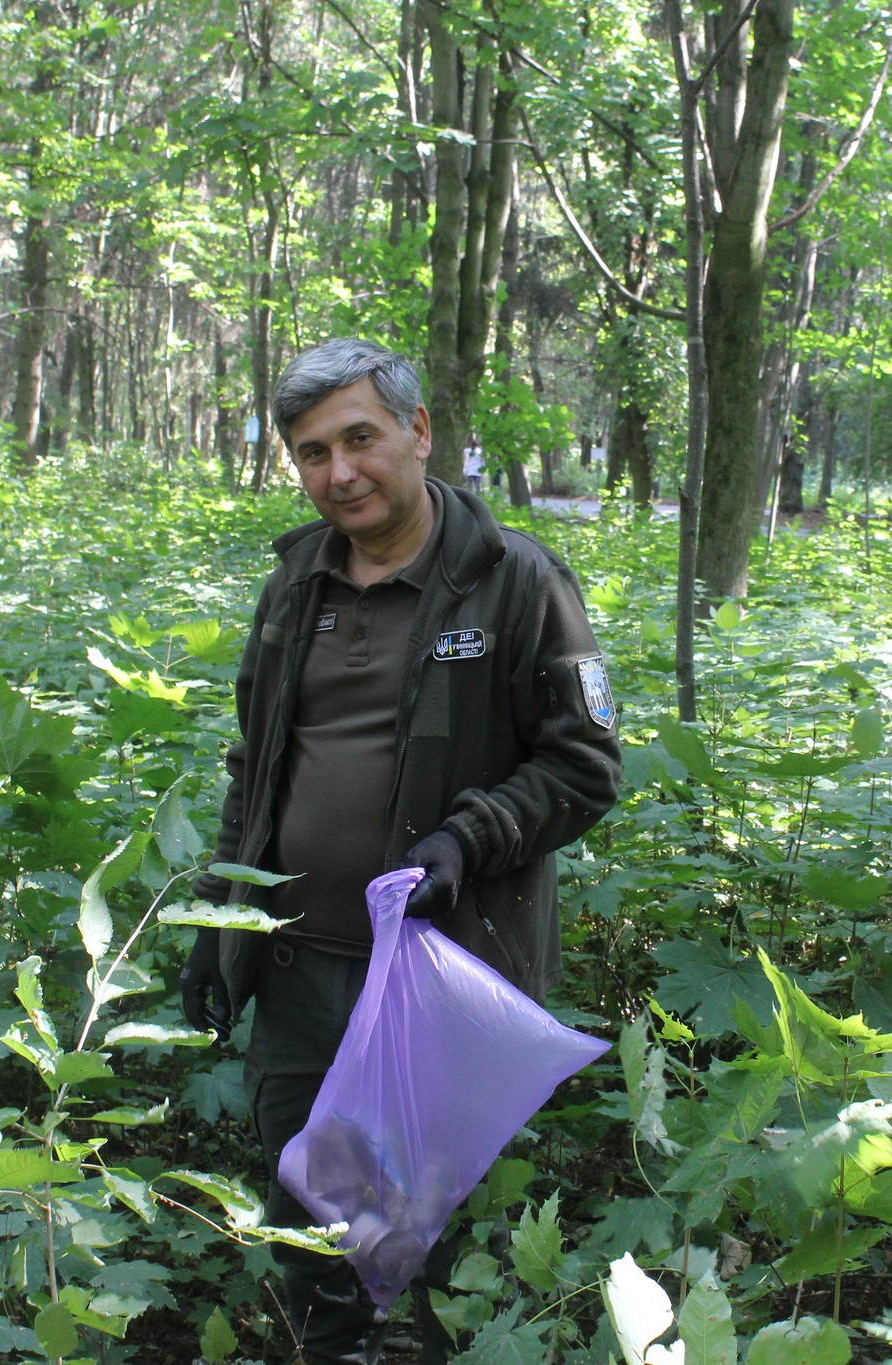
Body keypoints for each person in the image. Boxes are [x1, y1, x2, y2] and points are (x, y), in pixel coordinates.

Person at [179, 338, 622, 1365]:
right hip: (292, 964)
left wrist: (469, 837)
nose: (338, 472)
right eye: (310, 451)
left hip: (438, 970)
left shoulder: (513, 583)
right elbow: (258, 765)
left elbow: (585, 766)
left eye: (360, 439)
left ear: (419, 433)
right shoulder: (294, 583)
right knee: (305, 1205)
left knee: (424, 1227)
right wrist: (217, 918)